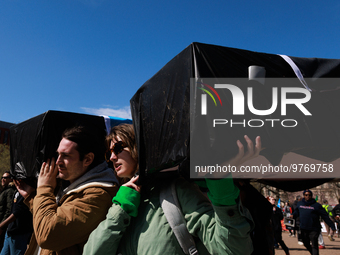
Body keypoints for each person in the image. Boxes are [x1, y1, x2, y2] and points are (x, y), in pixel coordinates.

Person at [84, 124, 259, 255]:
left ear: (139, 147)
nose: (113, 157)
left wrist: (220, 182)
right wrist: (120, 210)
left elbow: (232, 249)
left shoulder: (176, 190)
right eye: (109, 153)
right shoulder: (121, 201)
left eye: (119, 148)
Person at [14, 126, 119, 255]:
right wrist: (31, 197)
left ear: (88, 159)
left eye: (65, 155)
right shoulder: (70, 185)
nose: (58, 161)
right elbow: (54, 215)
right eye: (58, 154)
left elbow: (48, 235)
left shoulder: (97, 195)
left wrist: (44, 188)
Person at [292, 189, 336, 255]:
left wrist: (332, 226)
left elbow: (325, 216)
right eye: (306, 195)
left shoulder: (316, 205)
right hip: (303, 228)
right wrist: (293, 215)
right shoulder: (300, 204)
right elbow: (296, 212)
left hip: (314, 229)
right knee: (305, 243)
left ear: (311, 196)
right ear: (304, 196)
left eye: (309, 195)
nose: (308, 196)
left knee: (314, 244)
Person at [0, 187, 33, 255]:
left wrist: (1, 226)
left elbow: (18, 212)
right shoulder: (16, 191)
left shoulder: (27, 193)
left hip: (19, 233)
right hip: (9, 232)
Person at [0, 172, 16, 249]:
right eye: (2, 177)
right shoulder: (4, 191)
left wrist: (2, 226)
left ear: (10, 179)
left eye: (5, 178)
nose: (3, 179)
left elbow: (9, 210)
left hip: (3, 227)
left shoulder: (9, 191)